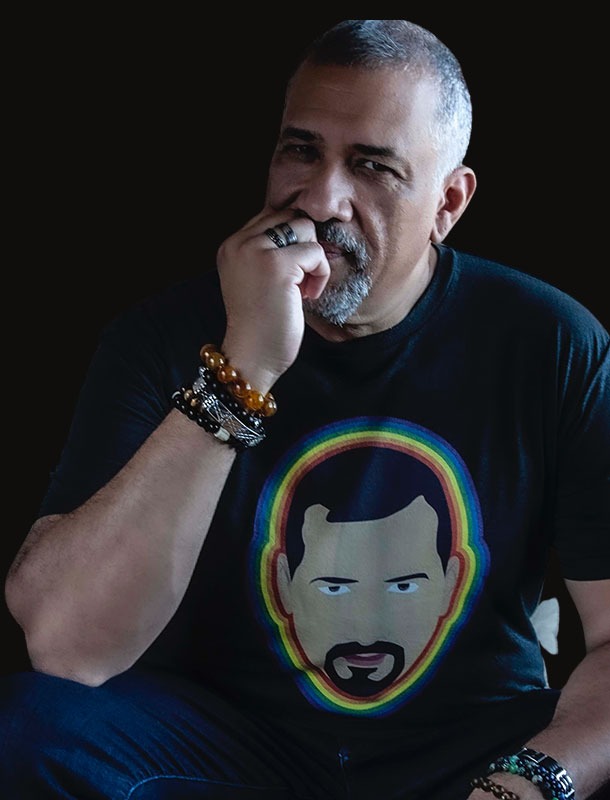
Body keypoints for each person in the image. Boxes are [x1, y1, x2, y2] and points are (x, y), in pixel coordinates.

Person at [1, 17, 608, 800]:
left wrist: (528, 783)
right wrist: (244, 366)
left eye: (372, 166)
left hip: (469, 751)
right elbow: (67, 648)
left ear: (448, 203)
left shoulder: (551, 344)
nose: (321, 199)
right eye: (301, 151)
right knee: (27, 731)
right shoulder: (160, 337)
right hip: (227, 749)